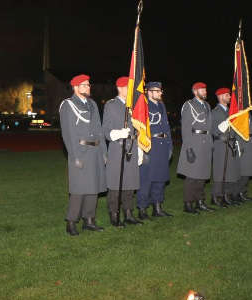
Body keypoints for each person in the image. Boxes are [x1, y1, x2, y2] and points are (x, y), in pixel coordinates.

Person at [59, 74, 107, 235]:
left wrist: (104, 153)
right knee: (78, 189)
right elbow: (68, 133)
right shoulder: (68, 105)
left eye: (88, 85)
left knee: (93, 188)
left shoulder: (92, 104)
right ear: (75, 87)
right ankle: (71, 222)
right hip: (80, 152)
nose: (88, 87)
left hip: (95, 151)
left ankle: (89, 220)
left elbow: (99, 130)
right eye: (84, 85)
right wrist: (75, 156)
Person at [103, 77, 142, 226]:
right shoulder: (111, 105)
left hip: (132, 146)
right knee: (115, 185)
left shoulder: (134, 106)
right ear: (120, 88)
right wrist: (119, 133)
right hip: (118, 148)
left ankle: (128, 213)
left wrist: (140, 149)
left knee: (130, 183)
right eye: (128, 88)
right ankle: (114, 214)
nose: (131, 91)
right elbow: (106, 130)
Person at [177, 82, 215, 214]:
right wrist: (188, 147)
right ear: (195, 91)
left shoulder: (207, 105)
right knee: (192, 176)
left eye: (205, 89)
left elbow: (209, 126)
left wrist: (211, 143)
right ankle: (188, 204)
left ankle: (200, 202)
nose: (205, 91)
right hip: (194, 142)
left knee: (203, 175)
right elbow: (185, 128)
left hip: (206, 143)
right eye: (202, 90)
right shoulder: (188, 105)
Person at [138, 82, 174, 217]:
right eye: (157, 91)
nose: (160, 93)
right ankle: (142, 209)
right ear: (149, 92)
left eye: (160, 91)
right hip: (149, 145)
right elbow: (139, 128)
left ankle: (157, 207)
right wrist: (142, 149)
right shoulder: (143, 106)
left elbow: (166, 126)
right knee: (146, 179)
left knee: (160, 178)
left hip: (162, 145)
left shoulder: (161, 105)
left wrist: (169, 145)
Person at [211, 87, 241, 206]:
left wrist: (236, 142)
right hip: (221, 144)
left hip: (231, 143)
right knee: (220, 171)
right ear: (220, 96)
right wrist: (218, 135)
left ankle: (226, 195)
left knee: (230, 171)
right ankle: (216, 196)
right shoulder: (214, 112)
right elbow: (212, 128)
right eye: (227, 95)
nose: (229, 97)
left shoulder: (230, 111)